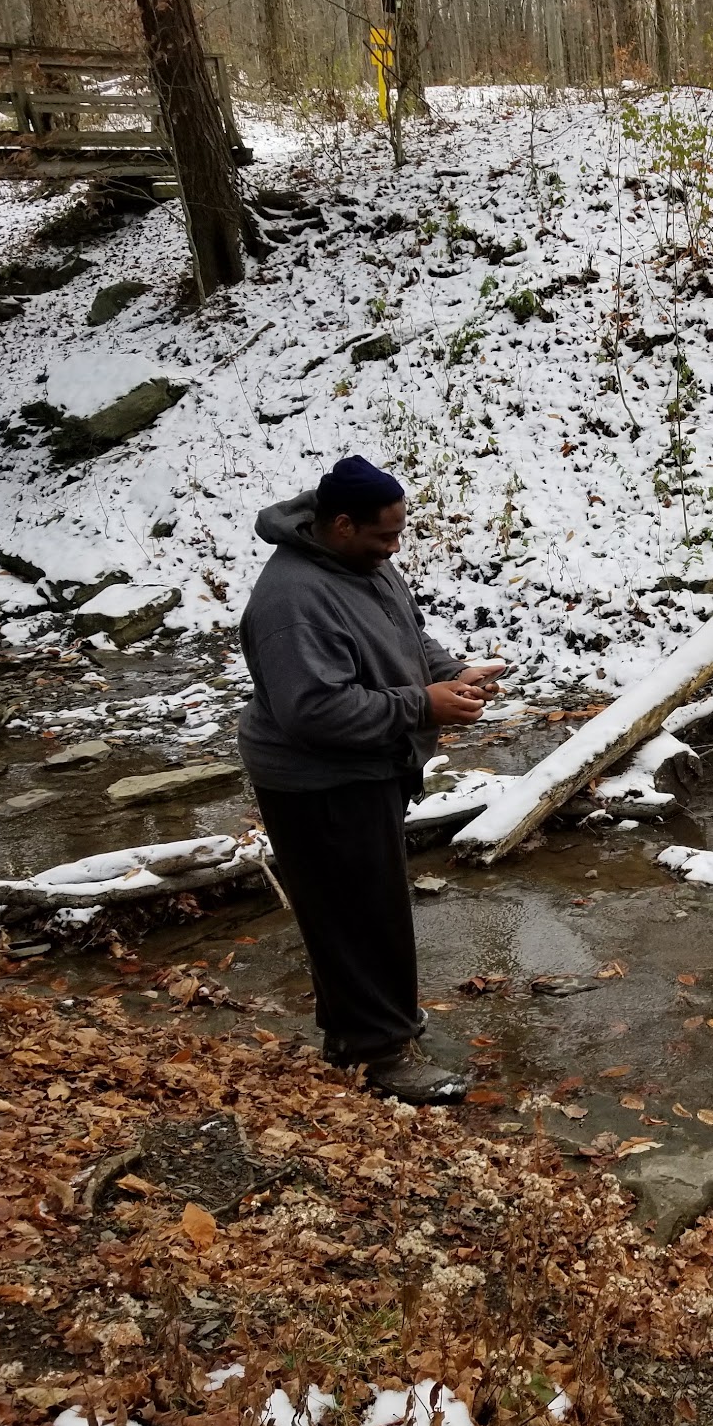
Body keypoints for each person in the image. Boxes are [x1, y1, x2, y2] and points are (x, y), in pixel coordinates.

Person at [238, 456, 501, 1104]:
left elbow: (410, 639)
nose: (396, 547)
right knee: (356, 915)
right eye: (385, 535)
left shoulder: (366, 563)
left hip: (368, 765)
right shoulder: (292, 599)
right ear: (342, 524)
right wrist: (422, 706)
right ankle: (382, 1054)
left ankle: (359, 1035)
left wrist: (453, 674)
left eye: (400, 532)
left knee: (366, 906)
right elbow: (313, 712)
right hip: (315, 781)